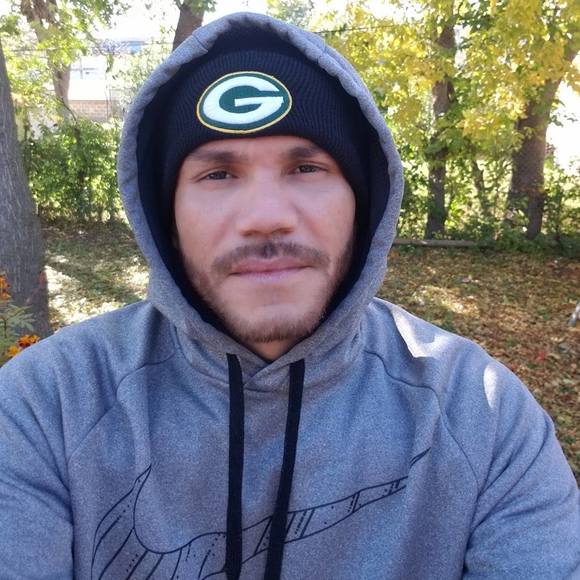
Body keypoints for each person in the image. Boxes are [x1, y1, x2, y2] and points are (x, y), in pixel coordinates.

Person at [0, 11, 578, 580]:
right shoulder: (45, 407)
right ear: (165, 218)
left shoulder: (483, 415)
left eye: (306, 167)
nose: (266, 217)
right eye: (218, 174)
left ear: (362, 205)